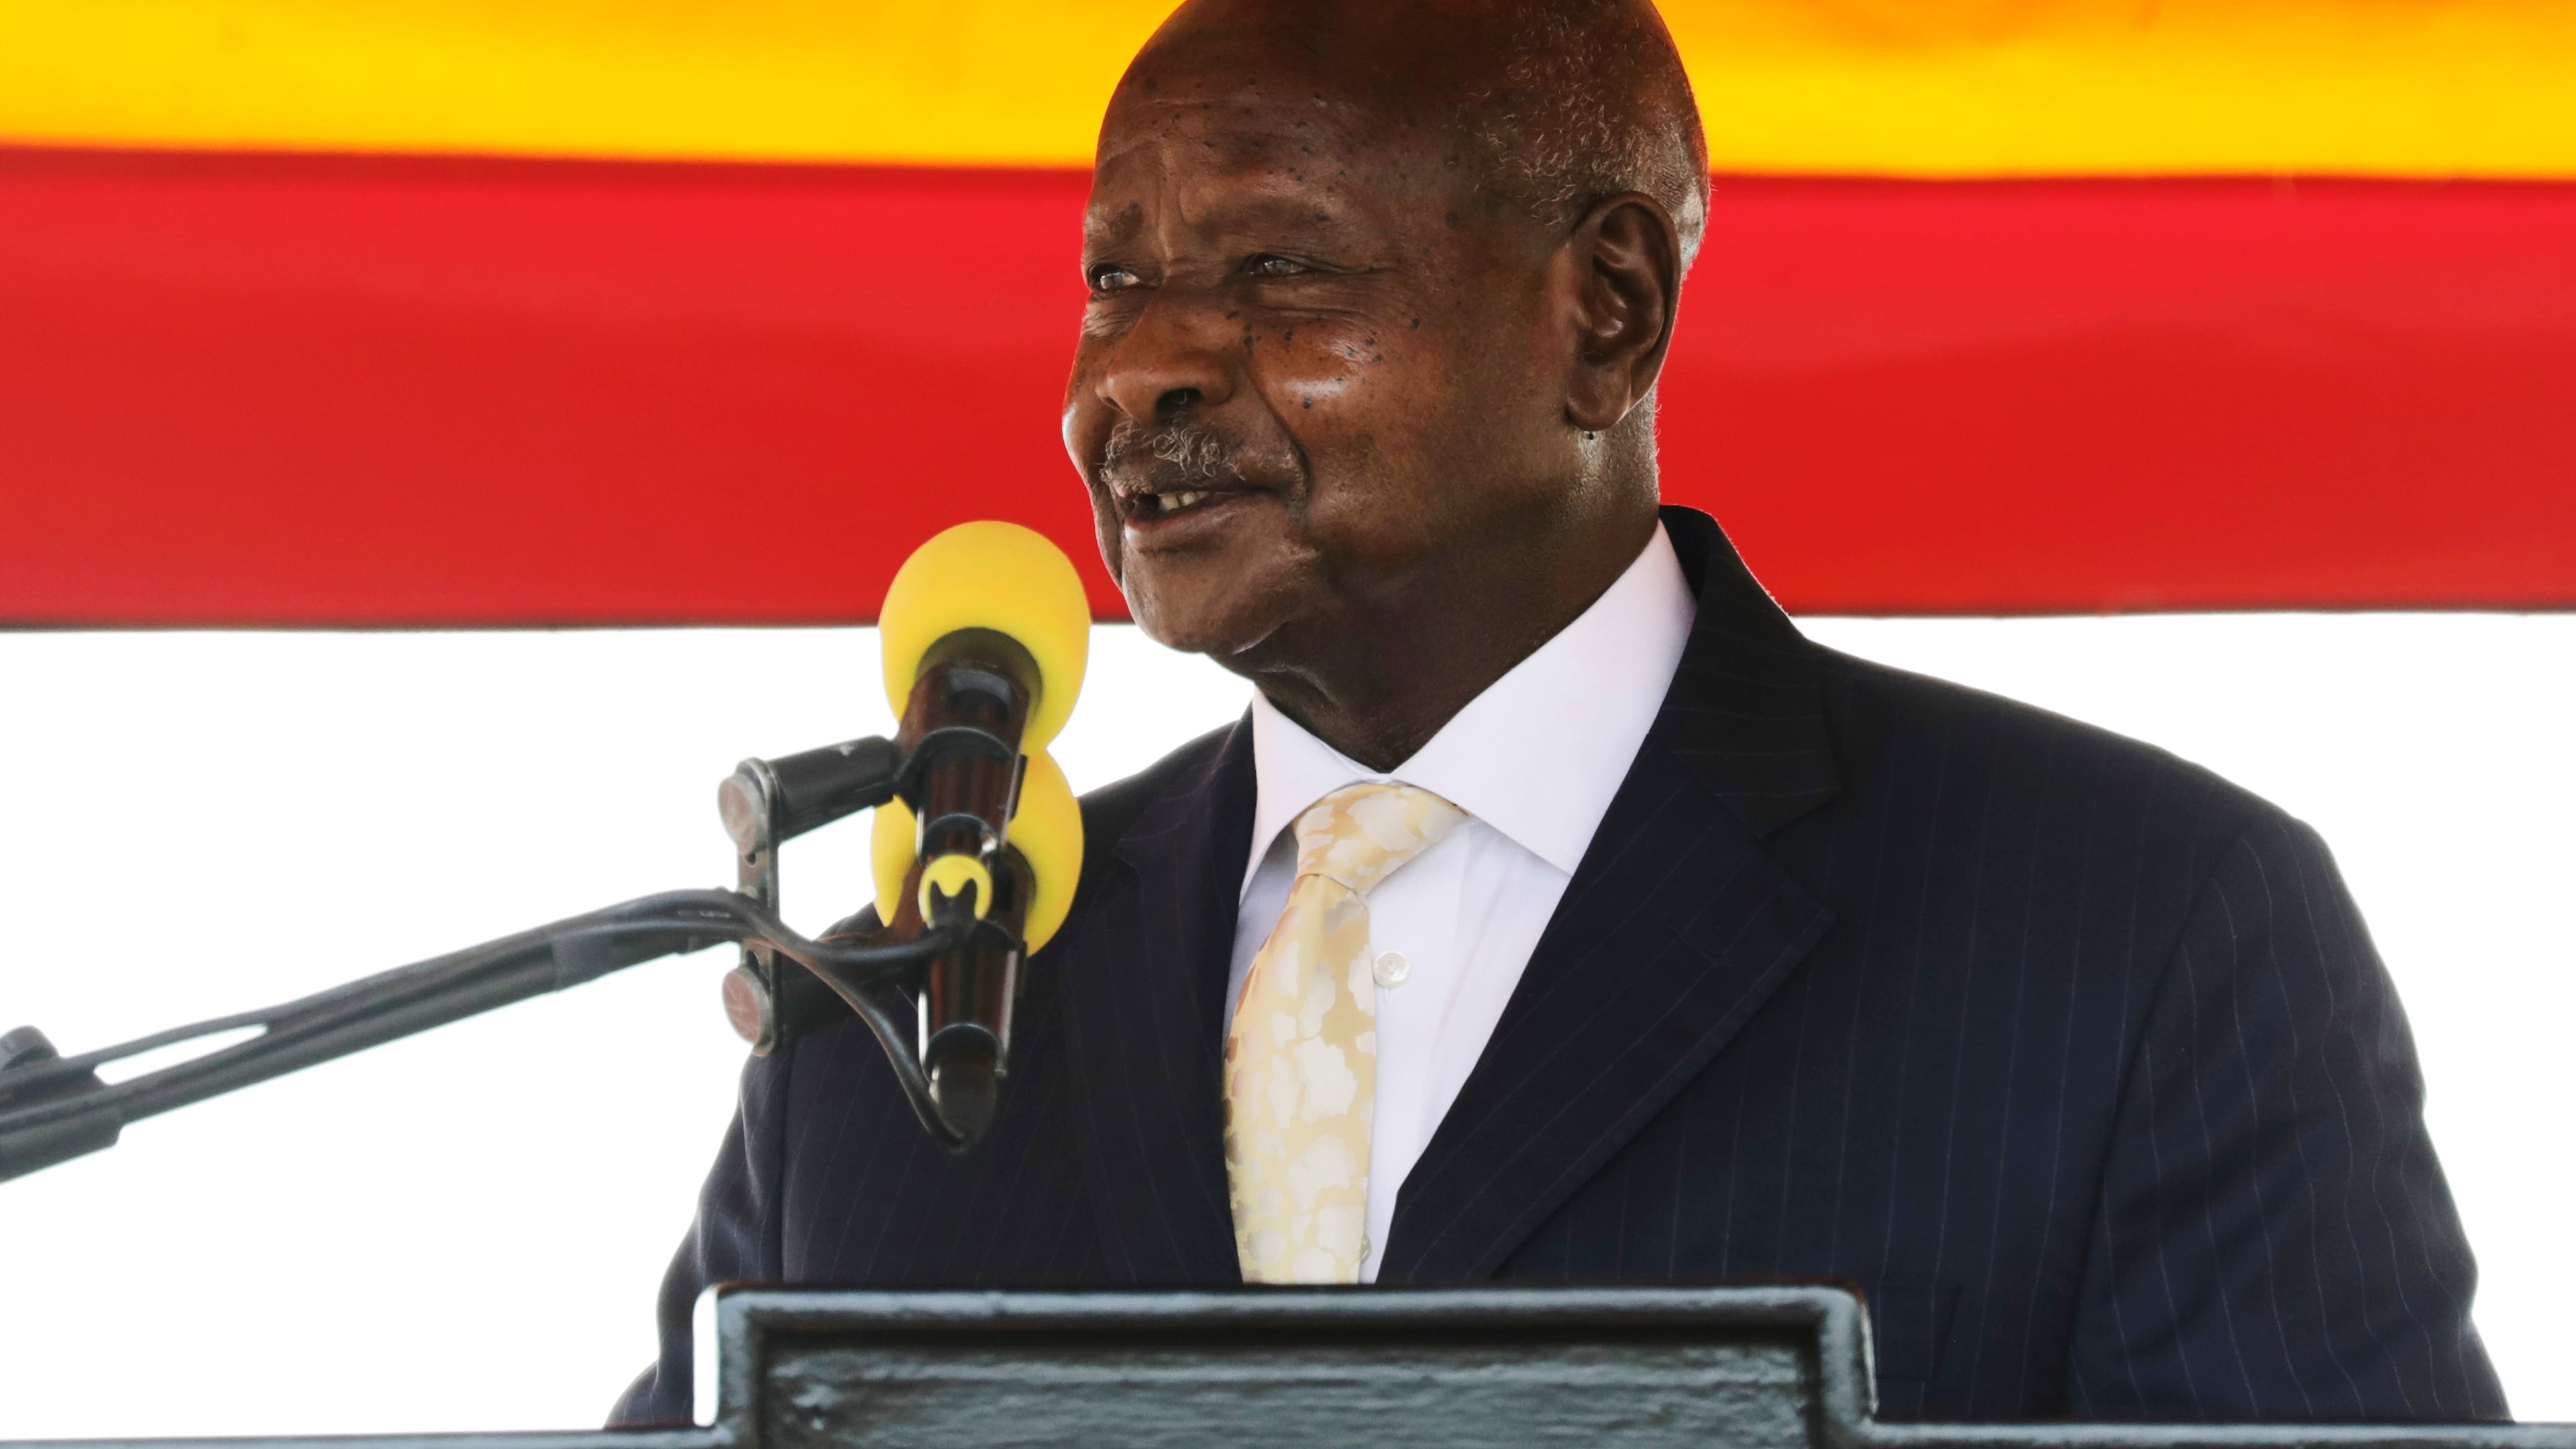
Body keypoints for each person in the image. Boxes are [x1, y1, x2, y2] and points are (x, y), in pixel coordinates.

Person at [614, 0, 2503, 1422]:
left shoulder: (2137, 936)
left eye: (1280, 270)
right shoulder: (885, 1025)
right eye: (1117, 281)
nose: (1141, 372)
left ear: (1606, 312)